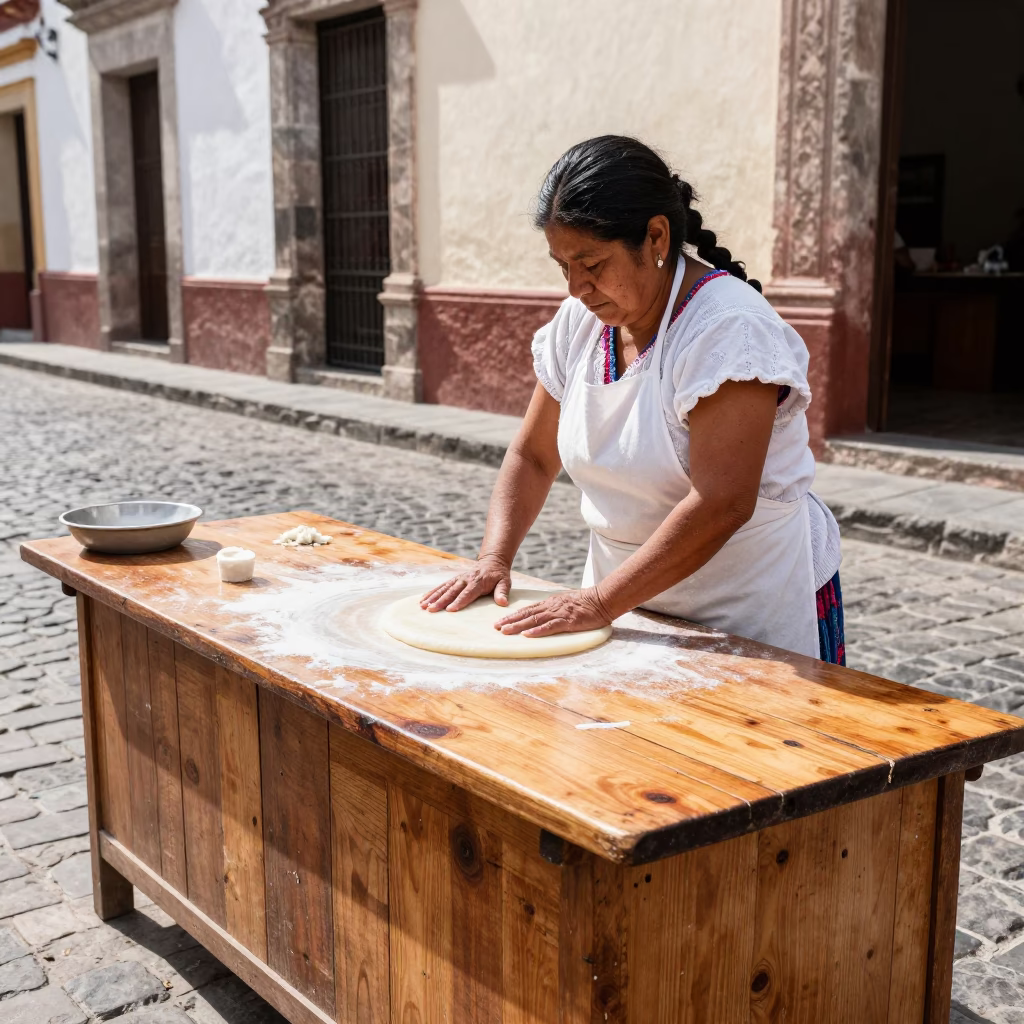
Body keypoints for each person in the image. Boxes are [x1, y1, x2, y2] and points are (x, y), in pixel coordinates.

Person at [422, 136, 844, 663]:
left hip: (749, 615)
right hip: (625, 609)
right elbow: (533, 456)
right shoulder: (580, 322)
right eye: (563, 267)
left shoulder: (729, 331)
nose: (577, 286)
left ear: (656, 237)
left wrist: (600, 602)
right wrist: (493, 559)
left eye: (592, 264)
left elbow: (723, 502)